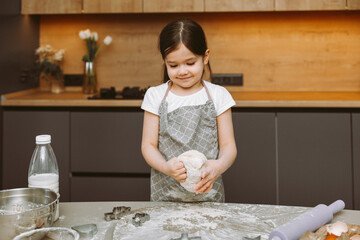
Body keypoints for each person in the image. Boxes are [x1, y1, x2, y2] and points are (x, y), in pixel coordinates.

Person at [141, 18, 237, 202]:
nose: (182, 71)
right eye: (173, 65)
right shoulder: (155, 96)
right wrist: (166, 167)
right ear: (165, 62)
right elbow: (148, 146)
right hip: (166, 195)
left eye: (190, 63)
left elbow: (228, 146)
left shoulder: (218, 95)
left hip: (208, 196)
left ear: (205, 57)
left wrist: (219, 165)